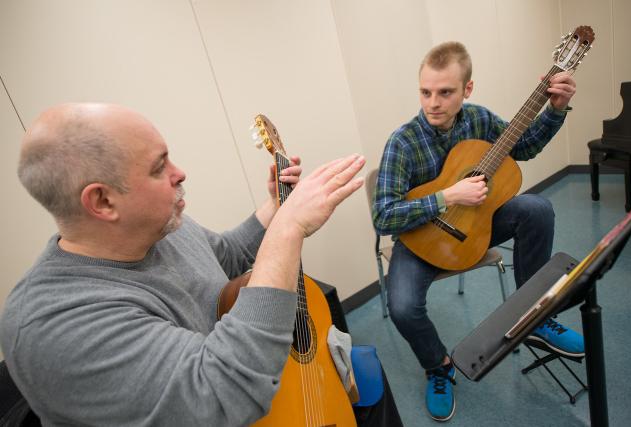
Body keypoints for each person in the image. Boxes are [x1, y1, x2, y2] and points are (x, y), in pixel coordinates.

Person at [0, 102, 374, 426]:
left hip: (247, 390)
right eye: (159, 167)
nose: (180, 173)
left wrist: (276, 207)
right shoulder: (54, 325)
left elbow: (224, 256)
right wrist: (289, 227)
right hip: (229, 401)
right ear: (102, 202)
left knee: (369, 386)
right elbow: (219, 395)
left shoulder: (160, 227)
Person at [371, 41, 585, 422]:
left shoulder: (480, 120)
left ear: (467, 90)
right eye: (425, 92)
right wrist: (447, 195)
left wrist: (555, 109)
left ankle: (532, 317)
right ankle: (438, 367)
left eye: (445, 92)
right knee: (402, 306)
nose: (433, 102)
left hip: (473, 228)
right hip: (420, 238)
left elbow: (526, 146)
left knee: (537, 208)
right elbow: (384, 217)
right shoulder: (402, 142)